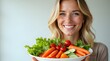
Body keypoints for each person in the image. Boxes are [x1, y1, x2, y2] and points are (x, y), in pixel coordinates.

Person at [32, 0, 108, 61]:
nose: (68, 20)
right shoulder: (43, 53)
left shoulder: (99, 50)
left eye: (75, 13)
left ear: (83, 18)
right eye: (62, 13)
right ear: (56, 18)